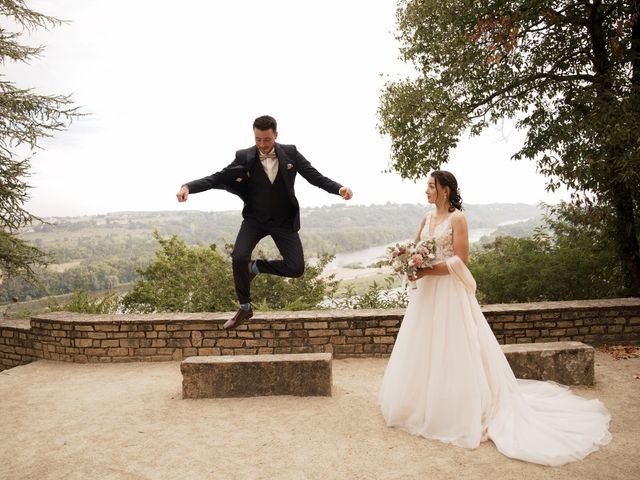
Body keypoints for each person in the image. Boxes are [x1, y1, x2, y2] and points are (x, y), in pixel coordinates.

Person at [378, 170, 611, 466]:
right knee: (423, 347)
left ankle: (461, 409)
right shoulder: (426, 218)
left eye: (430, 186)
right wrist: (408, 261)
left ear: (445, 190)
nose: (426, 190)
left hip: (449, 293)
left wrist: (425, 270)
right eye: (426, 185)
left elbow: (461, 259)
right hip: (426, 295)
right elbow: (416, 248)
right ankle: (423, 405)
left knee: (454, 347)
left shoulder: (457, 219)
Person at [176, 115, 353, 329]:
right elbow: (218, 178)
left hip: (282, 220)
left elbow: (315, 177)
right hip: (255, 219)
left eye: (266, 139)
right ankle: (244, 308)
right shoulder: (244, 157)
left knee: (296, 268)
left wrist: (338, 189)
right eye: (258, 139)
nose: (262, 144)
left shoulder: (291, 153)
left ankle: (256, 267)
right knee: (238, 257)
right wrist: (188, 187)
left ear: (275, 135)